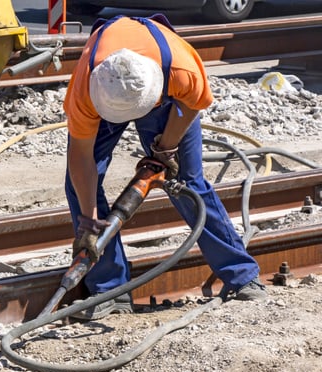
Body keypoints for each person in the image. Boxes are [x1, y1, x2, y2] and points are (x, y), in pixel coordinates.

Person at [63, 14, 266, 321]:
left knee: (188, 184)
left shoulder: (182, 69)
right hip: (108, 98)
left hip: (163, 99)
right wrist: (89, 223)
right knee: (79, 188)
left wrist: (165, 149)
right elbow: (82, 159)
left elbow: (193, 104)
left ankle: (241, 275)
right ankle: (109, 291)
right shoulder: (87, 90)